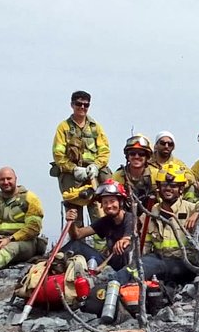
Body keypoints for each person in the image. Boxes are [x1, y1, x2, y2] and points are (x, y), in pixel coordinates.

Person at [140, 166, 199, 284]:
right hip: (163, 264)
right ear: (158, 187)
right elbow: (144, 248)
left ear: (181, 188)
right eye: (164, 185)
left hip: (188, 265)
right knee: (140, 267)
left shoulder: (190, 208)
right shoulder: (149, 215)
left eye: (173, 186)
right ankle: (112, 283)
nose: (168, 189)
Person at [51, 90, 111, 226]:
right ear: (72, 105)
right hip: (73, 178)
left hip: (93, 176)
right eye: (79, 104)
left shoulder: (95, 127)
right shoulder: (64, 127)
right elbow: (58, 155)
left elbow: (104, 150)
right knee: (74, 217)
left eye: (86, 105)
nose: (82, 107)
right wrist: (74, 169)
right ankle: (77, 246)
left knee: (99, 215)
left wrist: (96, 165)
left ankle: (101, 247)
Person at [63, 180, 136, 278]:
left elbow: (127, 239)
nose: (109, 206)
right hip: (109, 265)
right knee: (75, 245)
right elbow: (77, 235)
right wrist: (71, 222)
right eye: (105, 202)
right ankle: (47, 264)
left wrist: (124, 240)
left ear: (121, 202)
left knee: (124, 248)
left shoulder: (130, 218)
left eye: (112, 201)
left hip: (130, 267)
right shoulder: (106, 221)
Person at [113, 134, 155, 209]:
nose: (136, 156)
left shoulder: (155, 175)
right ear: (127, 156)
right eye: (132, 153)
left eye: (141, 154)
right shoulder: (117, 176)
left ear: (147, 157)